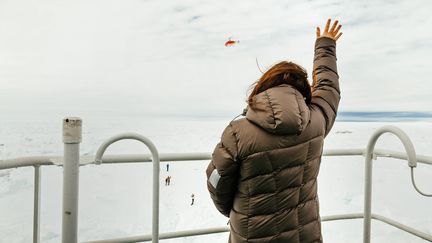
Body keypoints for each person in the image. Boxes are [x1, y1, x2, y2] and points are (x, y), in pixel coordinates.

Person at [206, 19, 342, 243]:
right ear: (303, 91)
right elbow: (328, 88)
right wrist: (325, 45)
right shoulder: (316, 123)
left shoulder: (237, 133)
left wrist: (238, 211)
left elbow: (216, 182)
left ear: (263, 86)